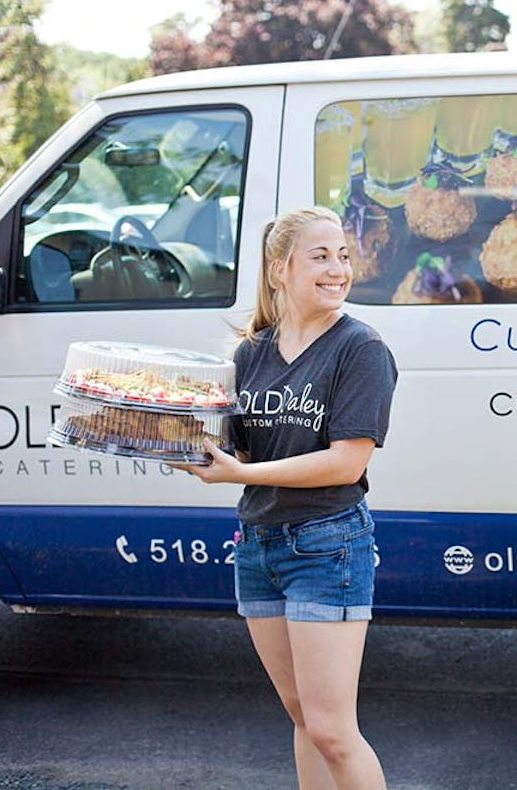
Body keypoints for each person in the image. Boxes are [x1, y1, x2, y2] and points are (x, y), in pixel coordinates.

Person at [179, 206, 397, 790]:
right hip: (258, 545)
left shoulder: (360, 349)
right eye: (321, 256)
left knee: (332, 729)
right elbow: (245, 453)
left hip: (328, 545)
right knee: (302, 717)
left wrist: (238, 476)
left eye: (343, 256)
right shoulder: (252, 352)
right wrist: (186, 447)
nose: (338, 269)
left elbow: (347, 461)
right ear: (280, 269)